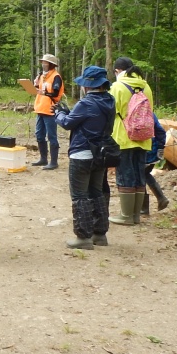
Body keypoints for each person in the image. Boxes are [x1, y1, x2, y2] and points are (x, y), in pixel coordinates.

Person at [54, 66, 116, 249]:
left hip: (81, 153)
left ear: (88, 85)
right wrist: (66, 113)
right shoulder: (109, 101)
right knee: (97, 193)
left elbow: (67, 123)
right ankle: (100, 234)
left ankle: (83, 237)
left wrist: (59, 113)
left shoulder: (86, 103)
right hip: (100, 154)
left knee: (80, 196)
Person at [109, 56, 154, 225]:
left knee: (125, 174)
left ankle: (126, 215)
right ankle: (135, 215)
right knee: (138, 173)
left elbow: (112, 111)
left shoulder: (117, 87)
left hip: (124, 137)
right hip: (143, 137)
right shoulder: (146, 86)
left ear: (118, 71)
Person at [31, 53, 64, 170]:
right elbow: (39, 90)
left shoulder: (56, 77)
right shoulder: (42, 76)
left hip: (50, 110)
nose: (43, 64)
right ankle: (43, 158)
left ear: (51, 64)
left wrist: (42, 92)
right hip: (40, 108)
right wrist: (35, 85)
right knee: (39, 135)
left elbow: (55, 93)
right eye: (42, 62)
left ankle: (54, 162)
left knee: (52, 136)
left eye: (45, 62)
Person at [142, 114, 170, 217]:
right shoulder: (150, 114)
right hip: (152, 149)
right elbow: (161, 131)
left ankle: (144, 208)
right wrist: (160, 147)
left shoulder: (137, 113)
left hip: (145, 149)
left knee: (141, 175)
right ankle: (160, 198)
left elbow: (160, 131)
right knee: (145, 174)